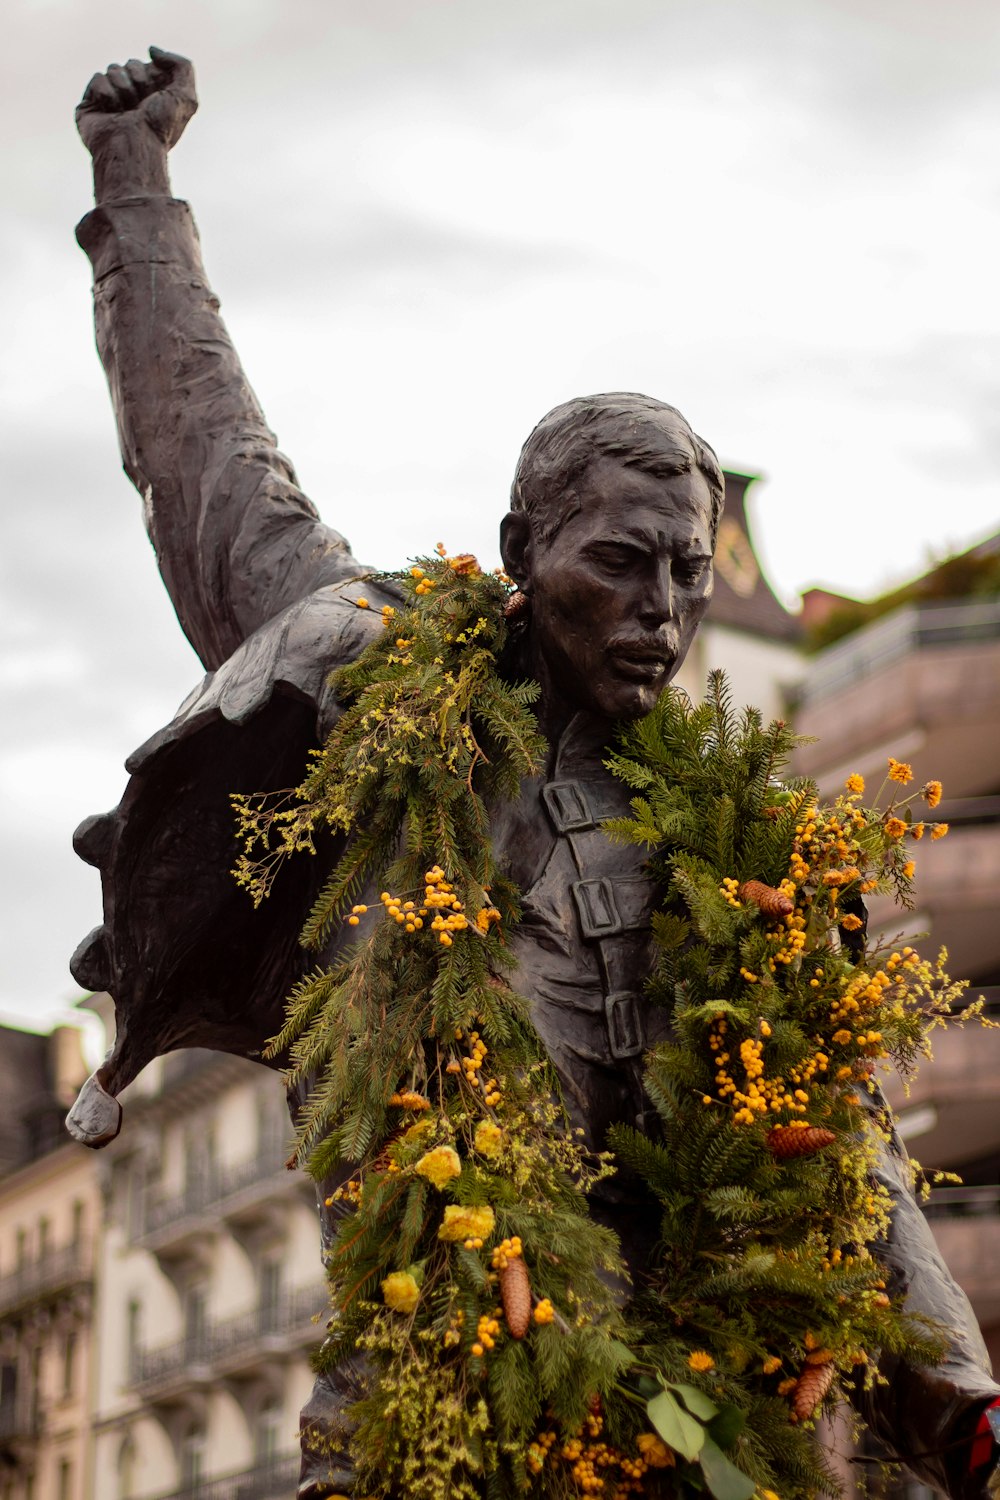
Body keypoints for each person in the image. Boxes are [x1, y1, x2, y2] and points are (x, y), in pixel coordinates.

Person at [68, 48, 1000, 1499]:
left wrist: (962, 1405)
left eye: (690, 572)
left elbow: (847, 1164)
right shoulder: (392, 708)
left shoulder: (746, 856)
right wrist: (136, 192)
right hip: (434, 1431)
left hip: (709, 1446)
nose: (665, 610)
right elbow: (205, 464)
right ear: (519, 559)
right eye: (620, 564)